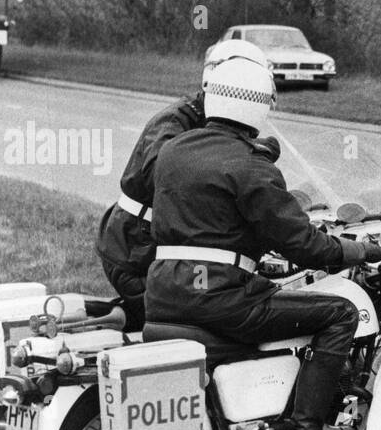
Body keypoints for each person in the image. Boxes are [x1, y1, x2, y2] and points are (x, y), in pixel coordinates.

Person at [144, 42, 381, 430]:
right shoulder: (250, 165)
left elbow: (212, 222)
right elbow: (305, 245)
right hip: (220, 299)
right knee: (340, 314)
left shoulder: (174, 151)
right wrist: (357, 250)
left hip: (163, 293)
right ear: (259, 106)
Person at [94, 39, 271, 330]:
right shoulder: (176, 121)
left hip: (141, 248)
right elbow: (168, 178)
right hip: (135, 252)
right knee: (212, 316)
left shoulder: (216, 122)